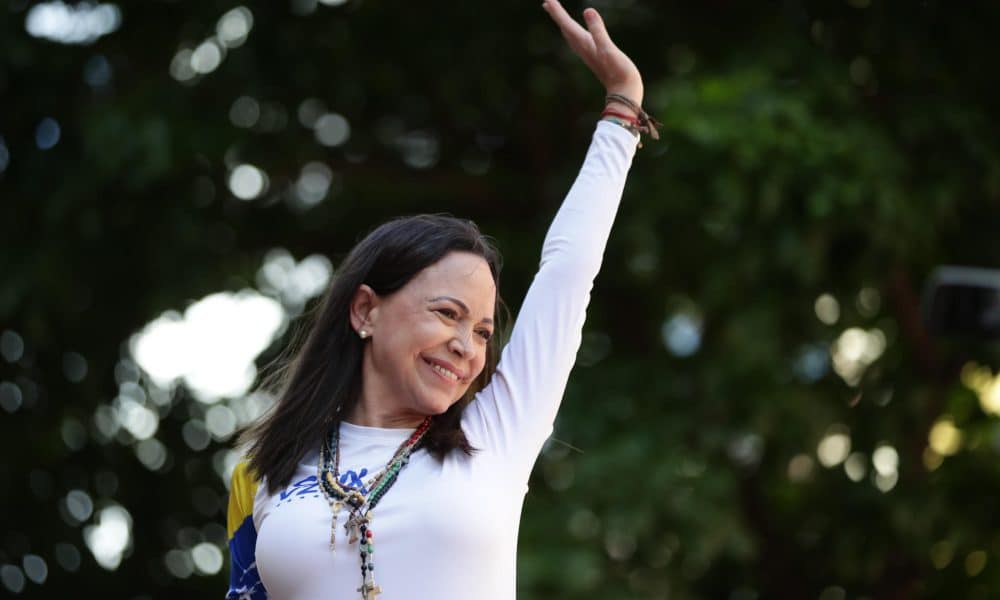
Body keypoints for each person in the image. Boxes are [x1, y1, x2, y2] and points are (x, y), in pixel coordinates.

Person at [225, 1, 658, 598]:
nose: (466, 346)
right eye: (448, 313)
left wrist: (621, 107)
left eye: (482, 331)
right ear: (365, 310)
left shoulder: (496, 435)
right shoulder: (264, 472)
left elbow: (568, 270)